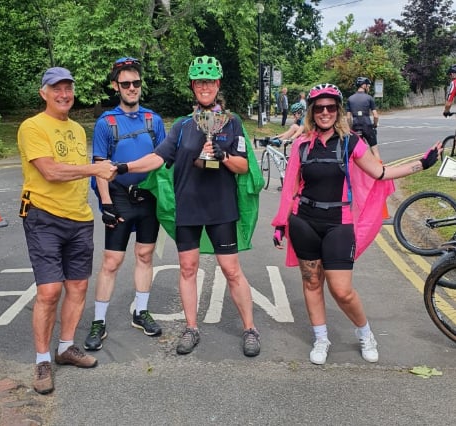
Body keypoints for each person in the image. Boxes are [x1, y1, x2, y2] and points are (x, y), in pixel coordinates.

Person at [271, 83, 441, 366]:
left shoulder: (351, 142)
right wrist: (280, 224)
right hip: (304, 221)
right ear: (312, 111)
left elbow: (380, 172)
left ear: (338, 111)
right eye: (319, 108)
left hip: (339, 222)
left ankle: (365, 333)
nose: (325, 112)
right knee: (312, 281)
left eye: (330, 107)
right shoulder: (301, 145)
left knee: (341, 290)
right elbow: (289, 188)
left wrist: (421, 164)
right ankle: (321, 338)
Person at [112, 55, 261, 357]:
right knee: (188, 268)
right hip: (188, 207)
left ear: (217, 85)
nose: (205, 87)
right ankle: (191, 327)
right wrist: (123, 167)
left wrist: (223, 156)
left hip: (221, 207)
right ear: (193, 86)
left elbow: (244, 167)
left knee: (231, 270)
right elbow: (157, 158)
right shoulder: (181, 126)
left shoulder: (232, 123)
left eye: (210, 82)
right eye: (199, 82)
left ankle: (250, 329)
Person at [17, 67, 117, 395]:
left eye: (68, 88)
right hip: (43, 217)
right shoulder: (32, 127)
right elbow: (50, 171)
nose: (64, 94)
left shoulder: (76, 129)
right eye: (56, 88)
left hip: (79, 218)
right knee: (48, 291)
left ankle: (66, 347)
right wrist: (95, 168)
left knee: (77, 286)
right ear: (43, 92)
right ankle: (43, 358)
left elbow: (77, 174)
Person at [84, 57, 166, 351]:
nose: (132, 88)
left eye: (136, 83)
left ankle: (140, 311)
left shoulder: (152, 120)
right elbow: (100, 165)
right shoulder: (106, 122)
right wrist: (105, 203)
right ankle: (99, 321)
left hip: (148, 196)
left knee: (145, 255)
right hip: (118, 196)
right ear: (116, 86)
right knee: (112, 261)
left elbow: (163, 162)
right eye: (126, 83)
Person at [346, 77, 381, 160]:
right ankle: (380, 170)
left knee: (359, 152)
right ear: (364, 85)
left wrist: (351, 128)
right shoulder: (369, 98)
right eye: (368, 85)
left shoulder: (350, 99)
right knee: (375, 151)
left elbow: (348, 117)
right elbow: (376, 116)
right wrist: (375, 125)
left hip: (356, 127)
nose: (368, 87)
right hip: (367, 126)